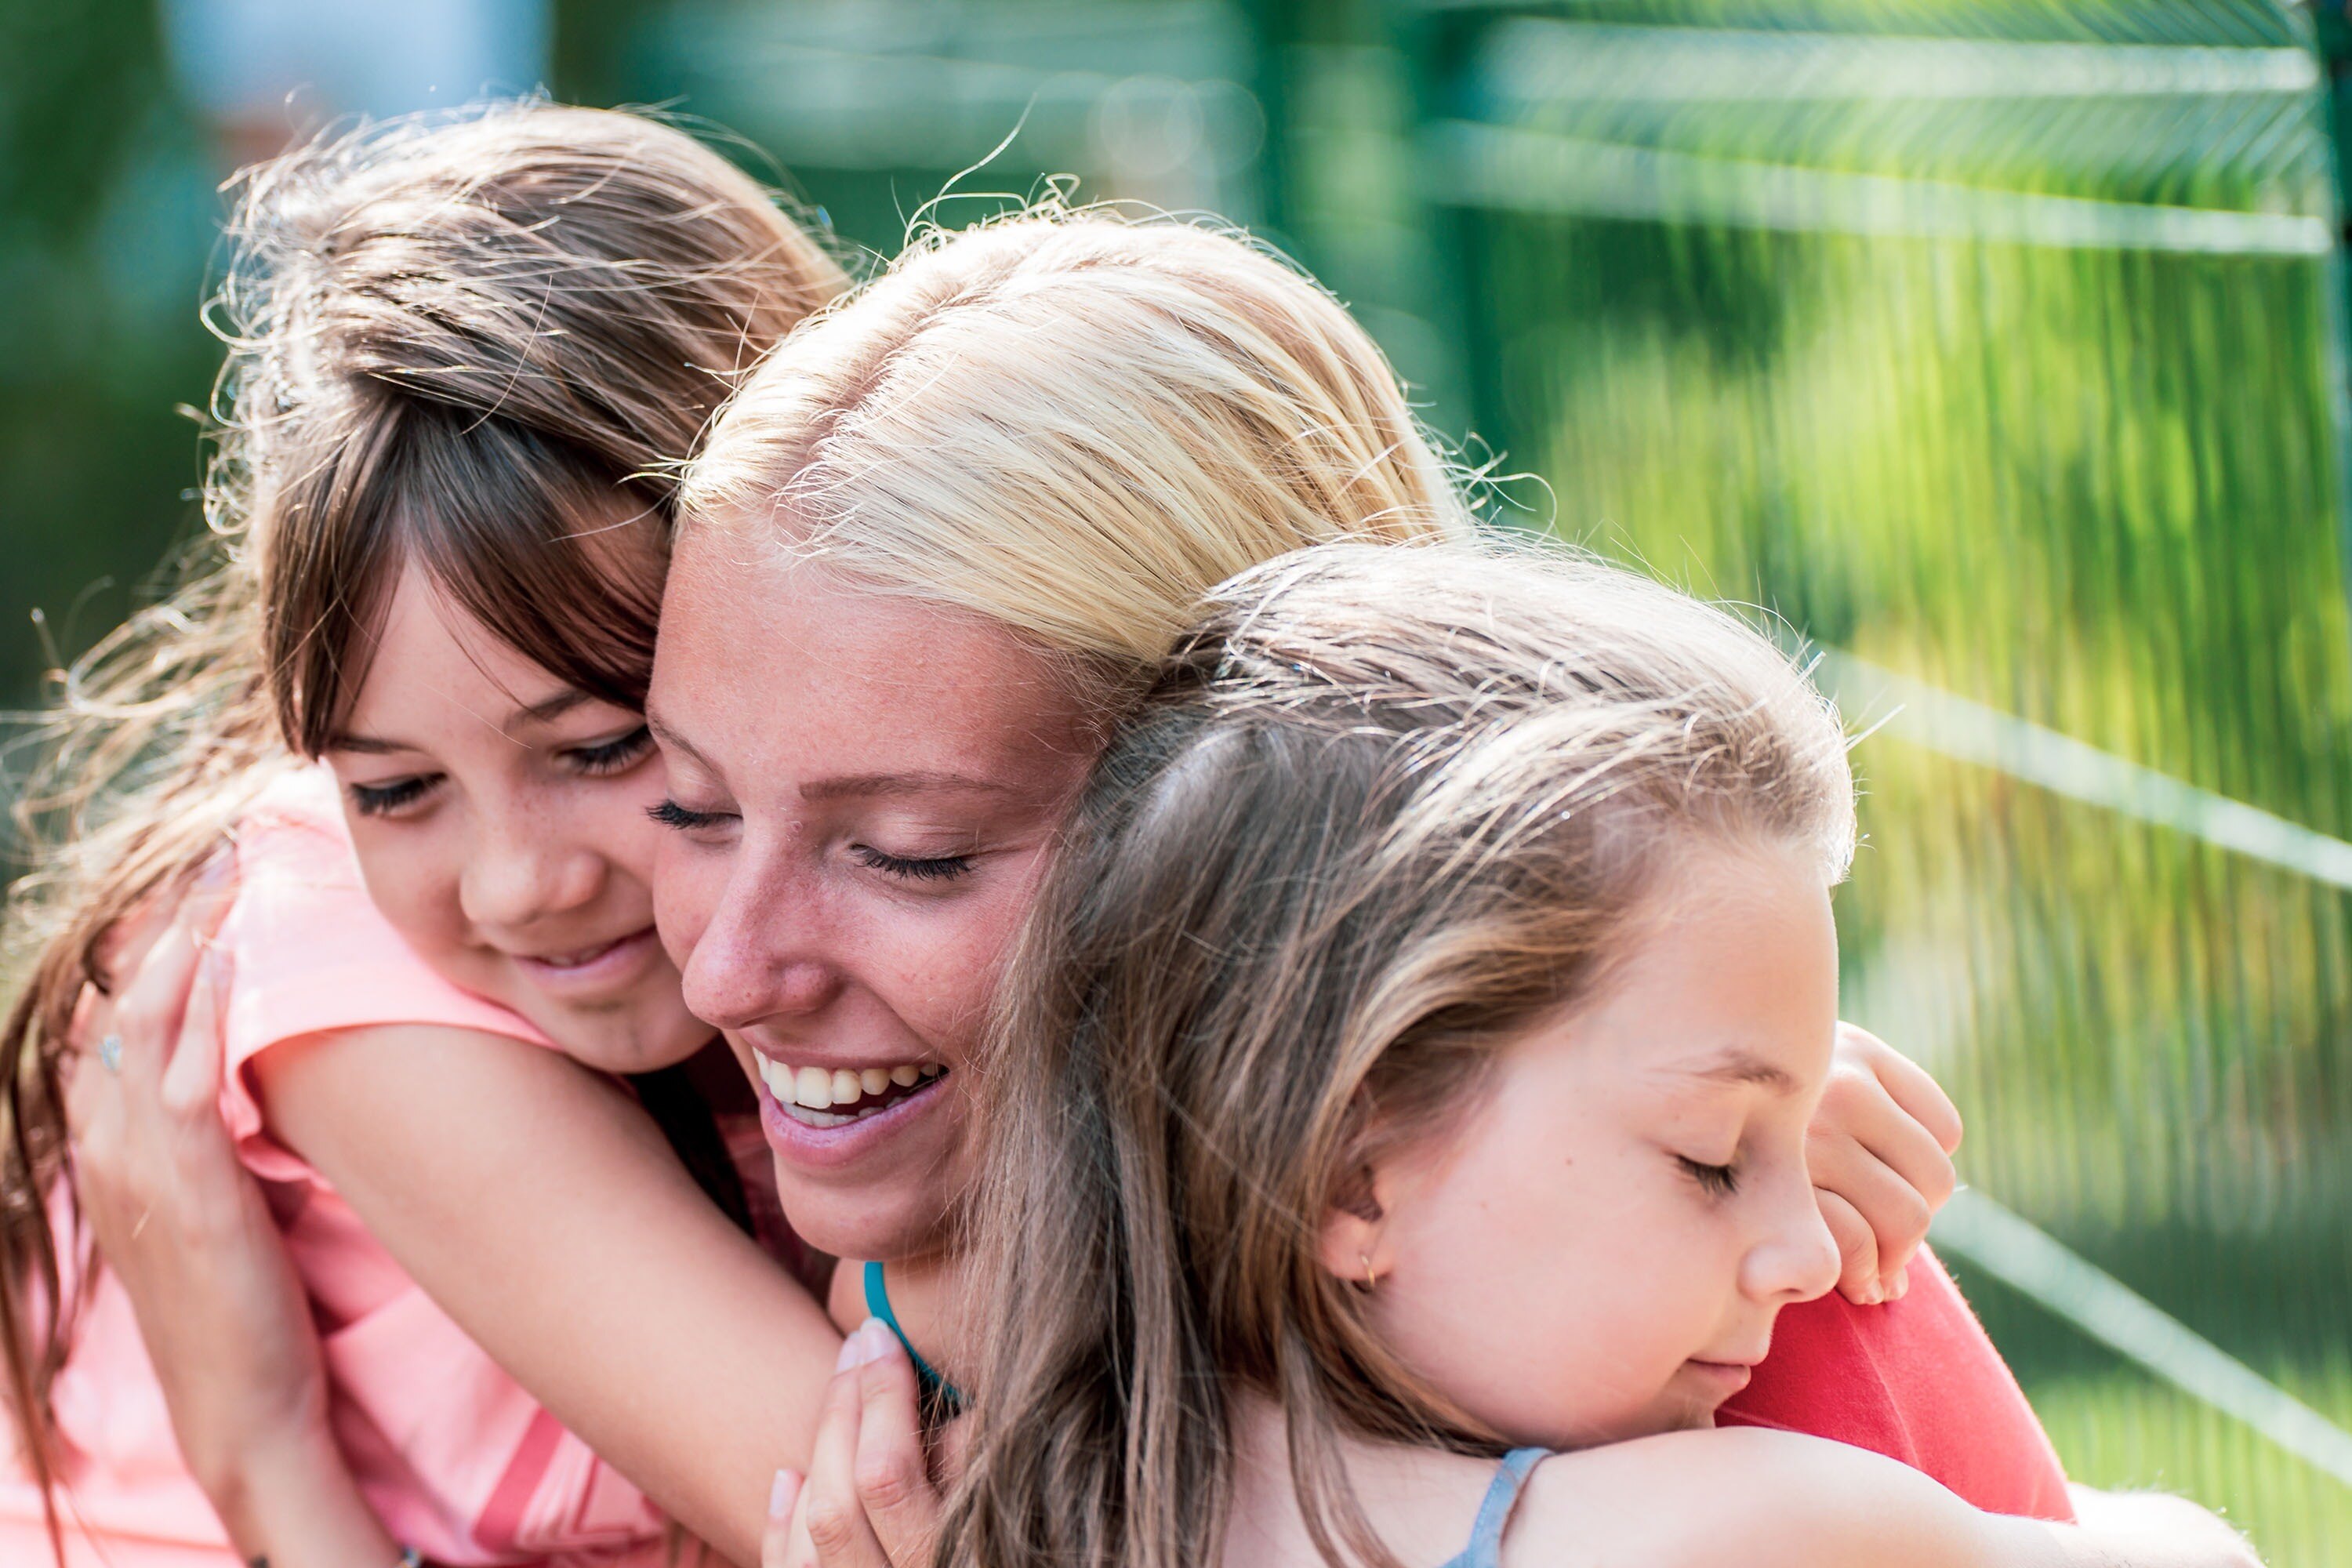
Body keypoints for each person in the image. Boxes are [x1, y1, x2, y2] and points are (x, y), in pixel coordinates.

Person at [72, 204, 2063, 1566]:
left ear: (1280, 842)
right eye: (689, 800)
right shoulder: (921, 1287)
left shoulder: (1730, 1318)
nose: (731, 968)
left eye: (910, 850)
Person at [921, 539, 2259, 1568]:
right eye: (1714, 1157)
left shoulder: (977, 1495)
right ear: (1349, 1175)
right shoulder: (1735, 1531)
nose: (1807, 1254)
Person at [1, 101, 848, 1566]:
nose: (522, 883)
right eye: (393, 785)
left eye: (601, 746)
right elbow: (898, 1538)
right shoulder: (318, 946)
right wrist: (269, 1472)